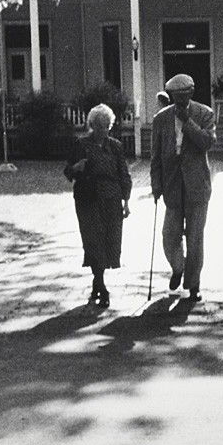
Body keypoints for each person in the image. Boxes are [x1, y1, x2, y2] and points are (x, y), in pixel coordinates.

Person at [149, 73, 217, 302]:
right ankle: (178, 268)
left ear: (191, 92)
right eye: (174, 97)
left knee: (195, 238)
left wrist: (187, 122)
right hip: (172, 186)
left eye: (183, 96)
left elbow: (207, 142)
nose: (178, 101)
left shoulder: (204, 113)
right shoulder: (161, 119)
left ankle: (193, 284)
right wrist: (156, 184)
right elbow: (155, 156)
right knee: (169, 235)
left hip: (198, 186)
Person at [64, 103, 132, 308]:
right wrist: (76, 167)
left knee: (110, 240)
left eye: (106, 126)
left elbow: (124, 174)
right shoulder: (81, 144)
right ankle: (101, 285)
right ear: (92, 125)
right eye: (99, 126)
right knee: (94, 240)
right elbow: (68, 171)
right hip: (88, 198)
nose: (103, 130)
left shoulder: (116, 146)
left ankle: (97, 281)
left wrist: (126, 201)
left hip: (112, 199)